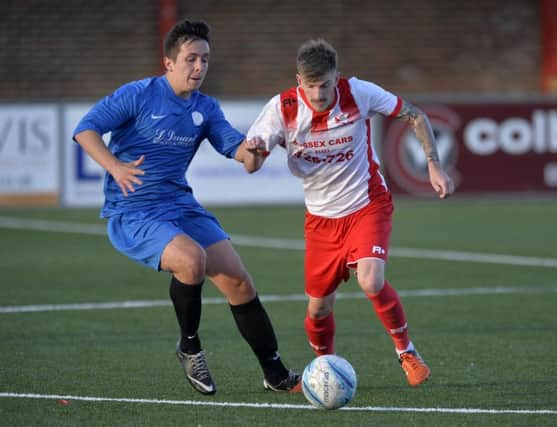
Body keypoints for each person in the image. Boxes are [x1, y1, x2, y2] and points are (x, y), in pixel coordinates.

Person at [72, 18, 301, 395]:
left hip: (180, 205)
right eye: (191, 59)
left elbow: (238, 150)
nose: (199, 67)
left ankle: (274, 374)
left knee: (239, 281)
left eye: (205, 60)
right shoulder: (138, 94)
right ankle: (189, 346)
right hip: (135, 211)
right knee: (191, 260)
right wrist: (114, 166)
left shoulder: (205, 108)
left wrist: (255, 152)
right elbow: (86, 128)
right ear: (169, 63)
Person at [245, 39, 455, 387]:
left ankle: (406, 352)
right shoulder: (281, 108)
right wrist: (252, 152)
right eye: (310, 85)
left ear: (336, 77)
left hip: (366, 204)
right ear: (299, 81)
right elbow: (251, 164)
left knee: (370, 279)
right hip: (321, 220)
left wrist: (434, 166)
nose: (318, 93)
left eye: (325, 84)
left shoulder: (358, 93)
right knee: (318, 309)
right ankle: (325, 369)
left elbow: (414, 115)